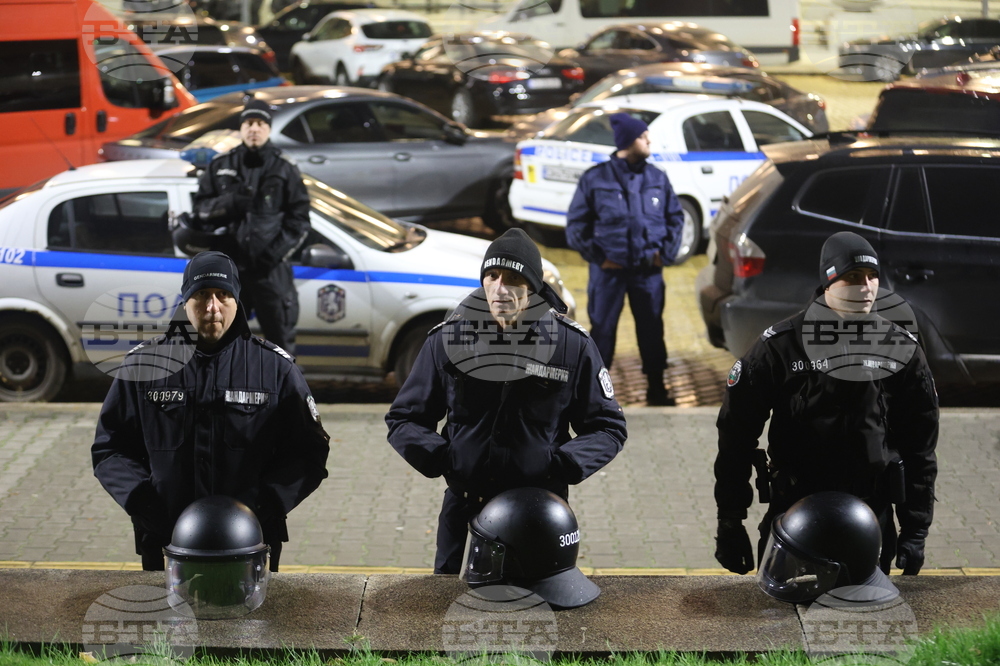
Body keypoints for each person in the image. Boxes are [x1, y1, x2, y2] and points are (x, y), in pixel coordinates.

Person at [386, 228, 628, 574]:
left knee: (536, 612)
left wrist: (562, 465)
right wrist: (443, 458)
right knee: (450, 611)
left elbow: (608, 427)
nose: (500, 288)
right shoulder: (447, 341)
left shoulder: (571, 347)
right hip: (465, 514)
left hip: (539, 516)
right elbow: (404, 419)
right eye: (492, 275)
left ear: (533, 286)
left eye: (513, 278)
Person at [713, 231, 938, 577]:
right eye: (852, 277)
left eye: (872, 276)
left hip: (870, 515)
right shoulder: (780, 347)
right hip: (794, 514)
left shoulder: (899, 348)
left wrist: (916, 530)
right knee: (779, 624)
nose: (866, 287)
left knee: (863, 620)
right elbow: (735, 437)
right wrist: (730, 521)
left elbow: (920, 447)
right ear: (828, 282)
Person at [92, 251, 330, 572]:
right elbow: (111, 448)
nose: (212, 307)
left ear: (237, 300)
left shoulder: (275, 369)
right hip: (165, 540)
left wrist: (269, 503)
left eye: (223, 295)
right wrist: (141, 500)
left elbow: (309, 452)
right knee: (167, 623)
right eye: (201, 295)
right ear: (185, 301)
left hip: (251, 541)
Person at [566, 113, 686, 406]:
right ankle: (592, 396)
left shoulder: (657, 176)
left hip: (648, 273)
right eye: (644, 136)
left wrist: (664, 255)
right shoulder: (595, 178)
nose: (649, 140)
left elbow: (676, 218)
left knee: (652, 332)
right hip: (609, 274)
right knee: (603, 333)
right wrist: (599, 258)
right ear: (629, 141)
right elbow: (576, 226)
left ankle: (657, 389)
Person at [192, 97, 310, 356]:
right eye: (248, 122)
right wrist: (231, 203)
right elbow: (200, 211)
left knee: (280, 344)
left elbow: (299, 220)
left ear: (268, 129)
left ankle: (282, 395)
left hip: (270, 271)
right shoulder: (221, 165)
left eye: (259, 123)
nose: (254, 128)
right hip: (228, 273)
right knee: (221, 342)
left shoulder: (284, 168)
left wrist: (273, 254)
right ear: (241, 128)